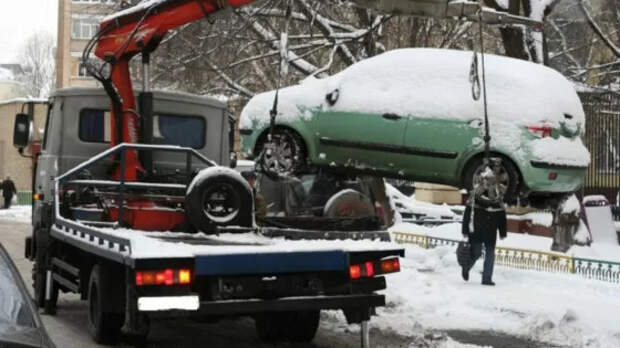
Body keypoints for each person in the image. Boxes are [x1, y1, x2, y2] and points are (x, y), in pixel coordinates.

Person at [461, 160, 507, 286]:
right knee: (475, 253)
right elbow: (468, 212)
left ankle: (487, 278)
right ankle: (467, 267)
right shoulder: (476, 194)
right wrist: (465, 229)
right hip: (477, 228)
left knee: (490, 255)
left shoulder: (497, 193)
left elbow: (501, 213)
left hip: (491, 228)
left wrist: (502, 232)